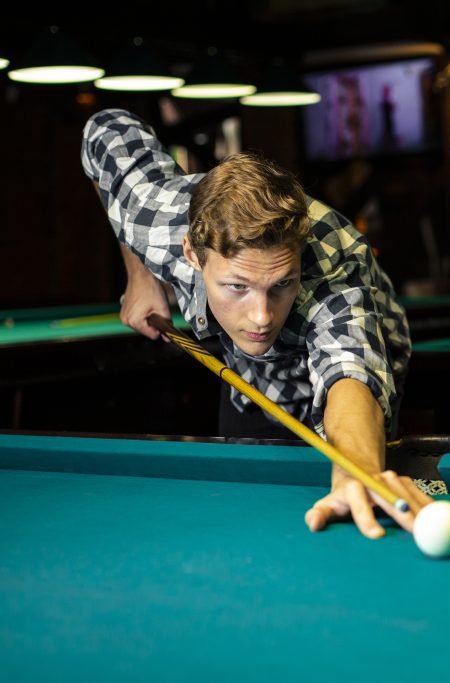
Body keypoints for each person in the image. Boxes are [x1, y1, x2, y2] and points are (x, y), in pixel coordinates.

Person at [81, 108, 430, 539]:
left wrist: (357, 471)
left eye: (281, 284)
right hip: (250, 385)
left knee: (355, 491)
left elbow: (351, 371)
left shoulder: (331, 268)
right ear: (192, 254)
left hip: (364, 373)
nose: (262, 316)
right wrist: (139, 274)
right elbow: (105, 129)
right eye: (237, 286)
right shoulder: (155, 219)